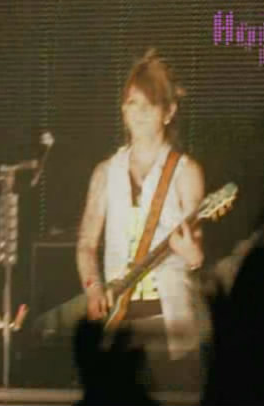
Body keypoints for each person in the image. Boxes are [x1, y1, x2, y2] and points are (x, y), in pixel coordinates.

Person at [76, 48, 205, 361]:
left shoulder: (186, 172)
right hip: (119, 321)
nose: (140, 112)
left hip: (170, 324)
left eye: (150, 104)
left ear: (168, 111)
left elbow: (197, 254)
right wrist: (93, 288)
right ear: (123, 109)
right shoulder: (105, 173)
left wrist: (193, 256)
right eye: (133, 102)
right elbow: (86, 245)